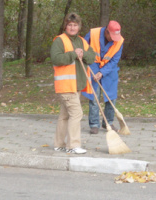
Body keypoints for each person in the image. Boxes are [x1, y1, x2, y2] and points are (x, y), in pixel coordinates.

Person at [50, 13, 96, 154]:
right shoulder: (60, 40)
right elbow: (56, 59)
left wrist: (83, 54)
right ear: (66, 26)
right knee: (77, 114)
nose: (72, 27)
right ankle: (73, 146)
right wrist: (73, 54)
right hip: (66, 85)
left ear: (79, 27)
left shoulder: (82, 41)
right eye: (70, 25)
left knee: (65, 116)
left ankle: (59, 144)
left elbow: (92, 56)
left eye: (75, 25)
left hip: (77, 85)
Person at [82, 20, 124, 134]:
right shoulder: (93, 33)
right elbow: (83, 48)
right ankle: (94, 124)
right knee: (94, 98)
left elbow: (114, 60)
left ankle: (108, 123)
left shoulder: (119, 41)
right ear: (107, 32)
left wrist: (103, 72)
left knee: (111, 99)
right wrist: (92, 68)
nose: (114, 39)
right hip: (93, 67)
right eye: (112, 36)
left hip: (110, 71)